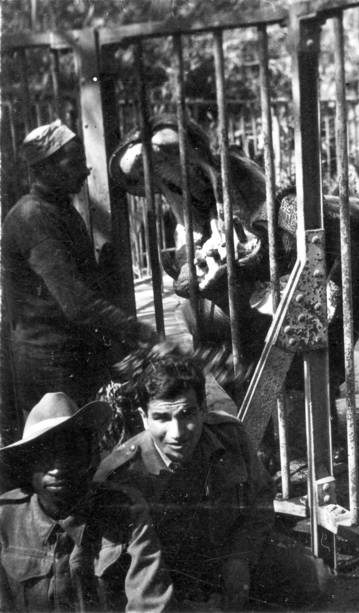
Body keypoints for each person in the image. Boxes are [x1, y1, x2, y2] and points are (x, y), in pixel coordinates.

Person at [95, 348, 328, 610]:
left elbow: (260, 500)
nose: (177, 433)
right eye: (162, 417)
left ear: (204, 409)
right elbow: (125, 575)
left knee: (312, 577)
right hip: (162, 575)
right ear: (143, 417)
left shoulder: (230, 436)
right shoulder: (122, 475)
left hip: (223, 558)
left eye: (187, 414)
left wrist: (240, 559)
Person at [1, 120, 159, 436]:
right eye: (73, 162)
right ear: (44, 168)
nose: (86, 170)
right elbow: (76, 303)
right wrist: (138, 330)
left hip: (69, 351)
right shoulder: (33, 215)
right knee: (62, 446)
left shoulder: (59, 209)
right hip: (48, 358)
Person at [0, 391, 173, 612]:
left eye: (70, 452)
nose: (57, 468)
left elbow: (150, 604)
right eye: (44, 454)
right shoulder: (5, 518)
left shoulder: (125, 510)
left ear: (91, 457)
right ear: (28, 464)